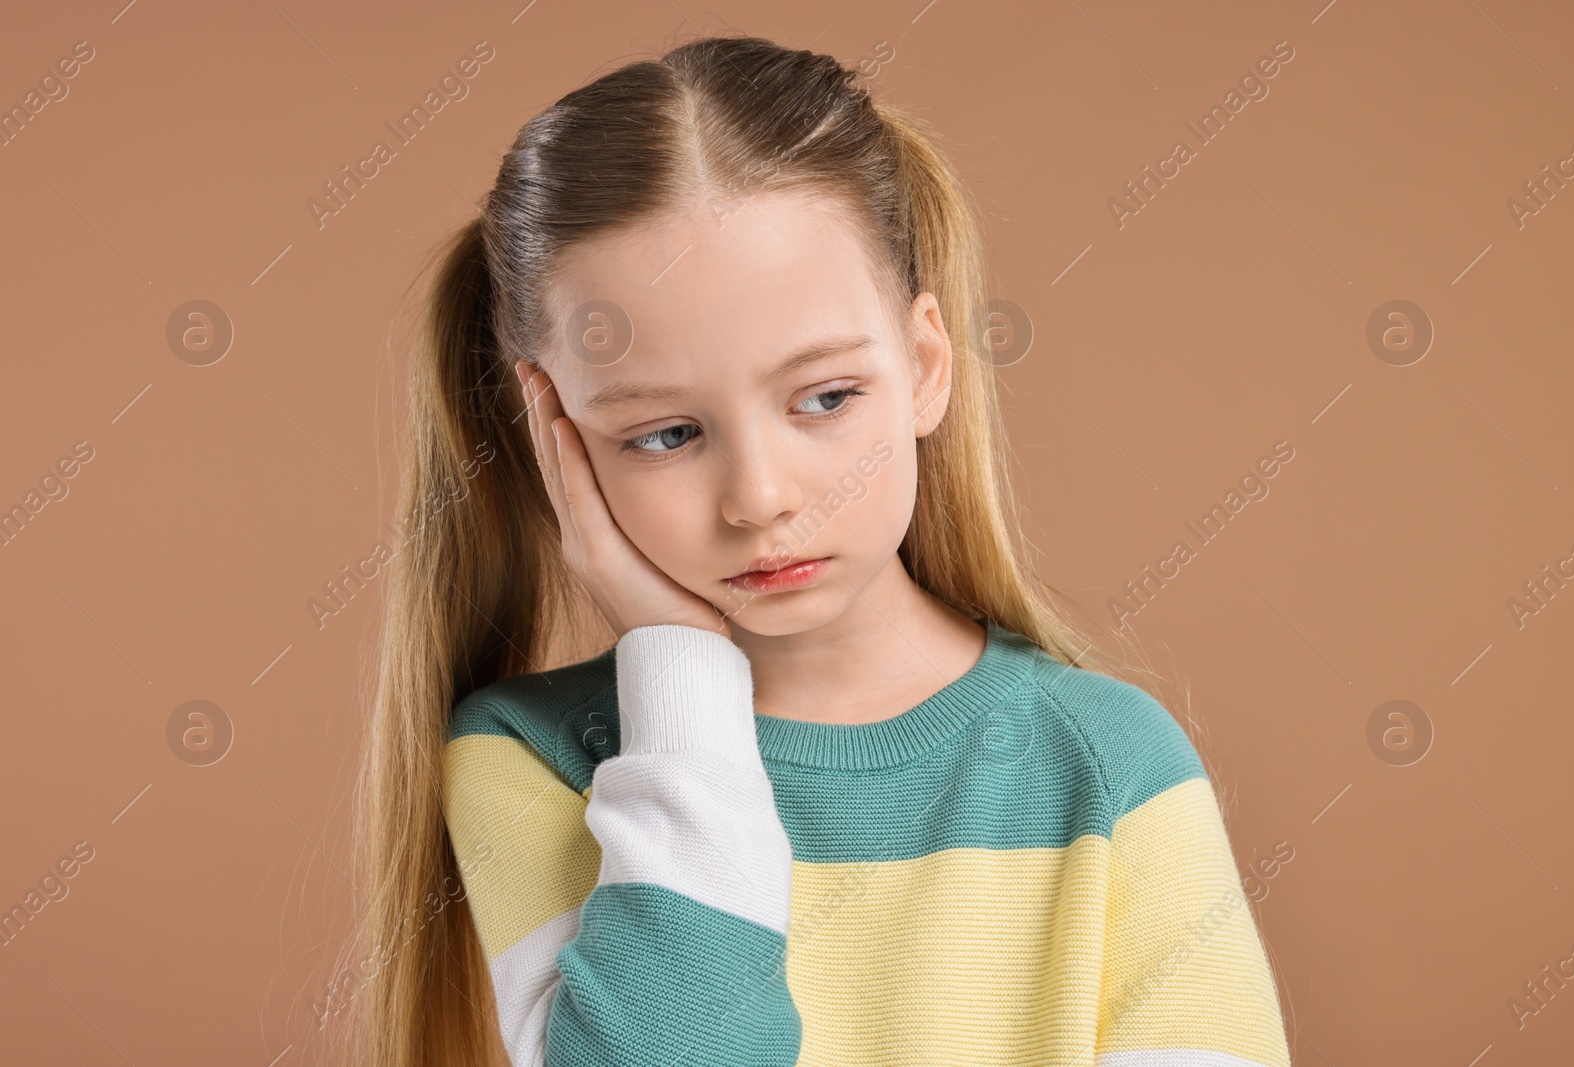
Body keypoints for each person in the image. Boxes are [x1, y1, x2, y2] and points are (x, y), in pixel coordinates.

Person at [350, 33, 1292, 1067]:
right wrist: (678, 668)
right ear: (556, 443)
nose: (761, 498)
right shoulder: (528, 762)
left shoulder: (1110, 765)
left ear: (926, 365)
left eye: (827, 398)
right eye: (663, 433)